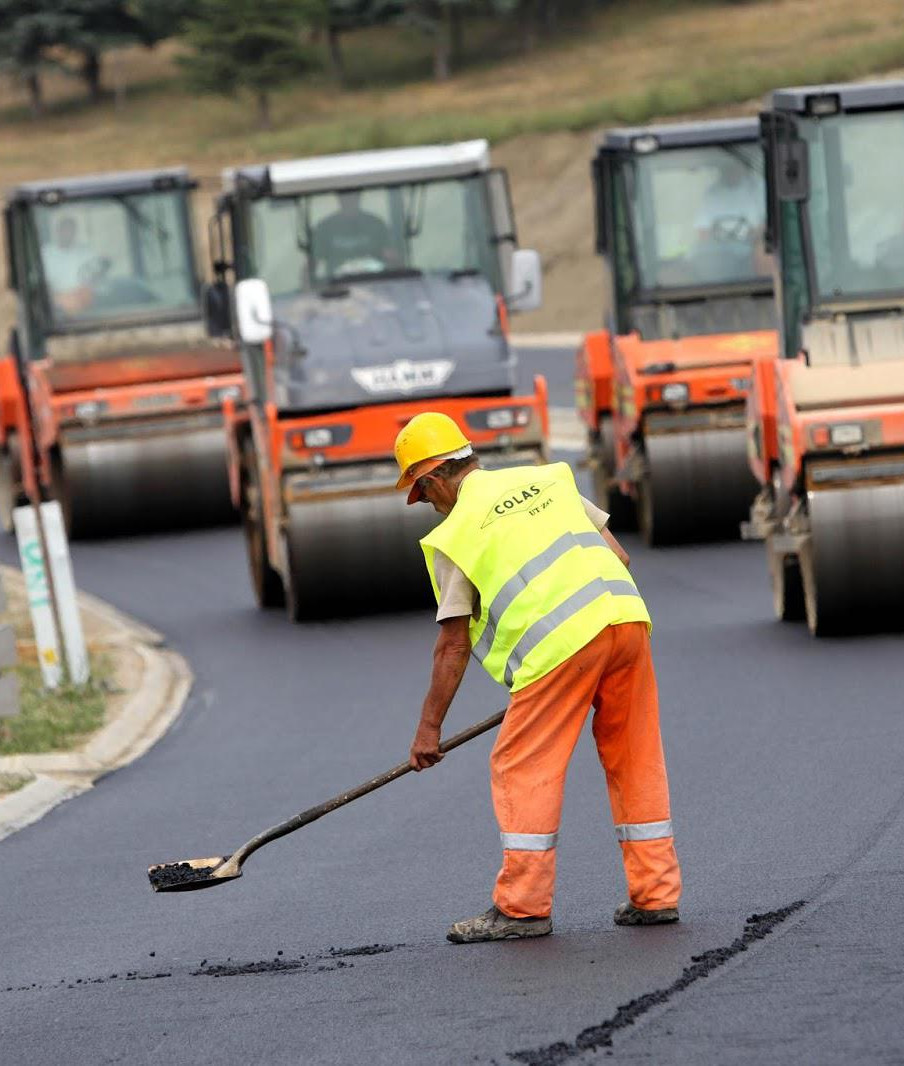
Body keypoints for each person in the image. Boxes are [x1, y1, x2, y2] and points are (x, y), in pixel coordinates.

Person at [394, 413, 682, 944]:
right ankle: (656, 894)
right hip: (625, 619)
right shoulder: (545, 478)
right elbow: (616, 553)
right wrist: (601, 639)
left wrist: (428, 731)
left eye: (421, 495)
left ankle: (522, 908)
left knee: (520, 765)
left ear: (432, 479)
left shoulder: (455, 536)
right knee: (635, 755)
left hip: (561, 648)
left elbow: (452, 646)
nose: (427, 507)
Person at [309, 192, 399, 281]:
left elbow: (391, 256)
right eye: (345, 196)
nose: (349, 200)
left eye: (353, 196)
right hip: (338, 289)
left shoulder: (376, 223)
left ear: (359, 196)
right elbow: (312, 264)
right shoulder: (325, 227)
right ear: (339, 198)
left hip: (374, 283)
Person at [40, 215, 100, 316]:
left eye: (71, 230)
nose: (68, 233)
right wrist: (60, 298)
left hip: (84, 300)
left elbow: (95, 277)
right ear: (58, 231)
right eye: (65, 230)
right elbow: (43, 285)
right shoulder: (46, 254)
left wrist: (84, 292)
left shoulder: (86, 252)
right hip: (57, 304)